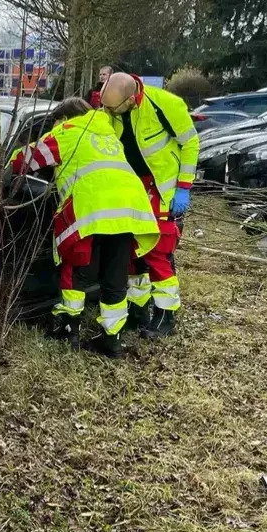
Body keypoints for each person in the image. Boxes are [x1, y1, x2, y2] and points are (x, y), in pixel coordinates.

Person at [8, 96, 160, 358]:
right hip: (128, 211)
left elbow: (23, 161)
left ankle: (69, 329)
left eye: (55, 123)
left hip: (93, 209)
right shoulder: (106, 133)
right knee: (115, 276)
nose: (53, 128)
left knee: (75, 270)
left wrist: (13, 154)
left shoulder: (67, 133)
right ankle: (112, 340)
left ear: (65, 118)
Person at [99, 72, 200, 338]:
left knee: (158, 250)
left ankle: (166, 314)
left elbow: (190, 143)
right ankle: (138, 308)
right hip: (132, 188)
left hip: (161, 188)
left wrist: (183, 187)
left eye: (113, 108)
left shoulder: (165, 104)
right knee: (133, 250)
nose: (108, 112)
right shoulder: (110, 109)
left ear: (132, 99)